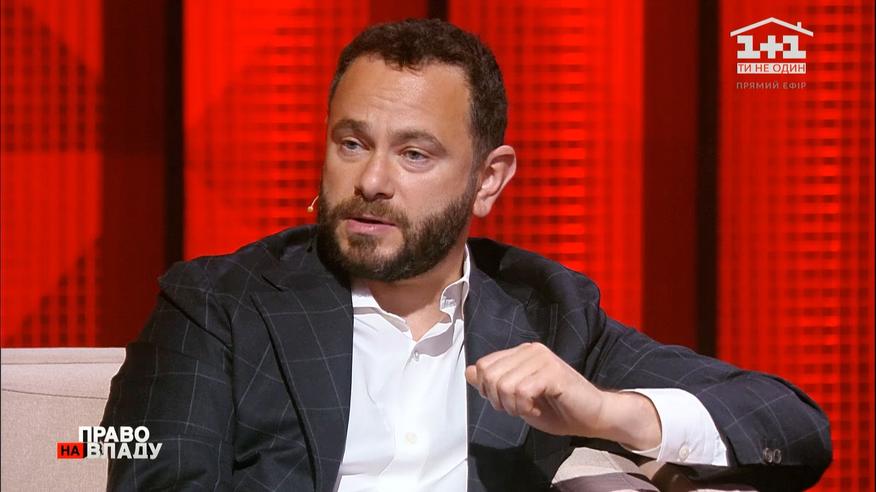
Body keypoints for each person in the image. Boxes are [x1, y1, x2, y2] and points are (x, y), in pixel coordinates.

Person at [103, 19, 831, 491]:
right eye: (351, 143)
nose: (372, 180)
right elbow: (153, 478)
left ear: (489, 180)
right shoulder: (217, 304)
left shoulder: (550, 309)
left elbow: (792, 425)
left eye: (415, 154)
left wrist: (613, 413)